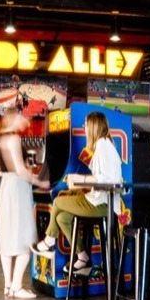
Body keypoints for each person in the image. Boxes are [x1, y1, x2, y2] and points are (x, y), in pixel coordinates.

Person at [34, 113, 120, 273]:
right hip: (100, 201)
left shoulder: (103, 144)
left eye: (85, 125)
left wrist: (79, 178)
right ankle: (83, 257)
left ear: (93, 126)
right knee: (62, 218)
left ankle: (49, 241)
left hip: (104, 205)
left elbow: (106, 179)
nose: (84, 128)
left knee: (58, 201)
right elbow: (101, 178)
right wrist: (78, 184)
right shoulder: (103, 145)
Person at [0, 112, 48, 298]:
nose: (26, 121)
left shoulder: (0, 139)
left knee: (7, 237)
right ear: (13, 119)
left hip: (5, 187)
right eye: (23, 118)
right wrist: (40, 182)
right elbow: (21, 171)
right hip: (18, 188)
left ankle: (8, 286)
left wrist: (17, 169)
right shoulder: (15, 138)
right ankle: (17, 287)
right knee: (26, 238)